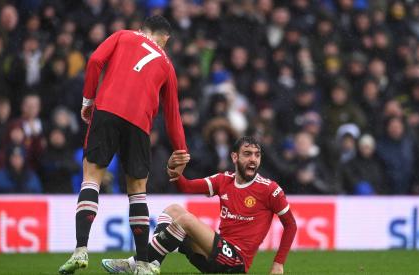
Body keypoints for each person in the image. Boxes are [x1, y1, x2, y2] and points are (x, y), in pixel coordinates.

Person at [59, 15, 188, 275]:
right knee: (137, 191)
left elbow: (95, 60)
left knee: (91, 178)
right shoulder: (167, 65)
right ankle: (141, 263)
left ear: (142, 30)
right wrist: (181, 151)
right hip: (140, 123)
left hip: (107, 110)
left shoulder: (123, 35)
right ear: (166, 39)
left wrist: (87, 100)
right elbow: (172, 114)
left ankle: (80, 250)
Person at [101, 136, 297, 274]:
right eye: (247, 154)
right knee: (173, 210)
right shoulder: (224, 180)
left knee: (185, 219)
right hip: (212, 256)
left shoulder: (269, 189)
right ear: (235, 157)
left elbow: (291, 225)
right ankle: (151, 263)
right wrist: (173, 170)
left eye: (257, 154)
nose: (253, 159)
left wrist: (278, 264)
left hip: (236, 261)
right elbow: (186, 187)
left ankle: (138, 263)